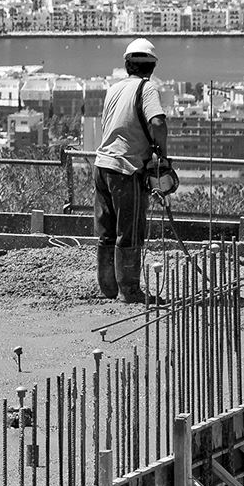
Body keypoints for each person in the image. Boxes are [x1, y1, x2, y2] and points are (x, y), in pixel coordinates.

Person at [91, 39, 167, 302]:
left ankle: (108, 289)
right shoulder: (147, 89)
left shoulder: (114, 89)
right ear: (153, 67)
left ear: (126, 65)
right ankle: (130, 291)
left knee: (107, 233)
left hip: (102, 166)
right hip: (126, 168)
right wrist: (162, 151)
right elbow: (157, 122)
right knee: (130, 231)